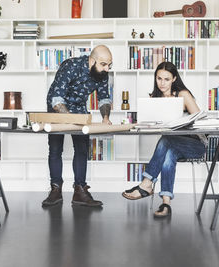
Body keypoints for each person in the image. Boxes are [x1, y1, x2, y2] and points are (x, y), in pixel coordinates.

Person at [122, 61, 207, 218]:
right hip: (174, 145)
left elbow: (200, 122)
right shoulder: (155, 98)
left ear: (174, 79)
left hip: (195, 145)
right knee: (168, 155)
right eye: (159, 78)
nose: (162, 83)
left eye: (166, 79)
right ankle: (166, 203)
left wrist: (182, 123)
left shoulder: (183, 95)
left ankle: (146, 183)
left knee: (166, 139)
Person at [42, 45, 113, 207]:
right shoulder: (71, 66)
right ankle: (55, 190)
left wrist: (105, 118)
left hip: (79, 108)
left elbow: (103, 98)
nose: (107, 68)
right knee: (55, 149)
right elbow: (57, 97)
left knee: (82, 148)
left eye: (109, 64)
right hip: (57, 106)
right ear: (92, 60)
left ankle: (80, 191)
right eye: (103, 64)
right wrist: (68, 120)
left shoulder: (102, 73)